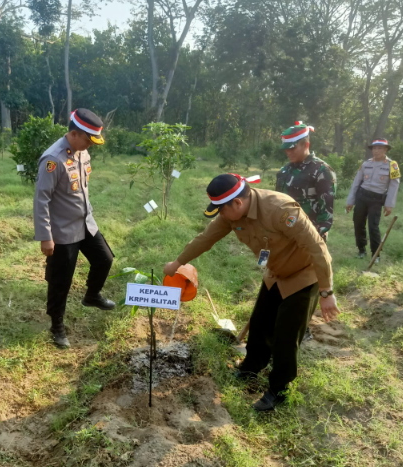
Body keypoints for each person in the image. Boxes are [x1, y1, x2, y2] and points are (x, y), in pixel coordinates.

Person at [164, 174, 340, 411]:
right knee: (260, 324)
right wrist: (178, 262)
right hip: (275, 273)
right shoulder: (232, 215)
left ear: (237, 203)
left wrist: (326, 292)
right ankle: (250, 368)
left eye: (222, 210)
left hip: (303, 275)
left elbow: (318, 248)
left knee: (286, 336)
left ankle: (279, 390)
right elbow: (206, 238)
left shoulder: (280, 209)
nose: (221, 216)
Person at [34, 108, 115, 349]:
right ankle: (56, 325)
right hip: (62, 231)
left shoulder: (82, 153)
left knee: (105, 259)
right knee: (61, 281)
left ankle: (92, 295)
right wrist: (45, 237)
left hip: (85, 224)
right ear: (74, 133)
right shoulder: (53, 159)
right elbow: (42, 200)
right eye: (88, 140)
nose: (90, 146)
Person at [276, 121, 336, 341]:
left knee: (305, 284)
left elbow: (326, 209)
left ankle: (304, 326)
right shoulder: (283, 172)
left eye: (293, 147)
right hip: (285, 236)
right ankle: (282, 317)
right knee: (283, 278)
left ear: (306, 144)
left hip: (310, 237)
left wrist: (318, 238)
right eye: (286, 148)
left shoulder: (321, 171)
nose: (289, 152)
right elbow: (276, 204)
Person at [346, 139, 400, 263]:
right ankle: (361, 249)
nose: (376, 151)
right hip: (362, 196)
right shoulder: (366, 164)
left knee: (373, 226)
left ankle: (376, 254)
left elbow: (394, 185)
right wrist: (350, 201)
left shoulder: (392, 165)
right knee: (358, 222)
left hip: (376, 199)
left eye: (380, 148)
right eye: (374, 148)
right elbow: (356, 183)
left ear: (385, 149)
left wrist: (389, 205)